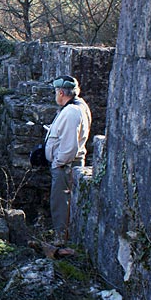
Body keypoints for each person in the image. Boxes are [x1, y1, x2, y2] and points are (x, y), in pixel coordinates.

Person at [44, 75, 91, 245]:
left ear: (62, 92)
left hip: (65, 166)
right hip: (65, 164)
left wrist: (58, 162)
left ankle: (61, 238)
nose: (55, 95)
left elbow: (70, 145)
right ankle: (62, 235)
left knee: (61, 204)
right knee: (61, 202)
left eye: (56, 92)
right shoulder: (78, 106)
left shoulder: (72, 111)